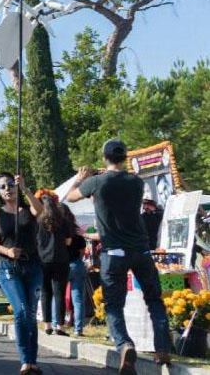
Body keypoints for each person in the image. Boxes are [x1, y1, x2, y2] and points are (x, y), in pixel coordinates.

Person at [67, 139, 171, 372]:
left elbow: (72, 196)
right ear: (125, 157)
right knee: (155, 301)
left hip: (113, 253)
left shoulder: (96, 182)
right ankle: (163, 349)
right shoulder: (135, 182)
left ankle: (124, 345)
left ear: (104, 157)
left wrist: (82, 178)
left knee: (114, 305)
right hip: (141, 250)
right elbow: (106, 201)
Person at [0, 172, 43, 375]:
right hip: (8, 266)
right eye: (2, 186)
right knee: (20, 310)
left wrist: (26, 189)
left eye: (11, 184)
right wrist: (6, 250)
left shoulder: (28, 210)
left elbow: (40, 211)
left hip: (33, 265)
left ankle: (33, 361)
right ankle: (25, 361)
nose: (8, 189)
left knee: (31, 314)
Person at [34, 189, 71, 337]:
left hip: (43, 260)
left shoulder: (37, 221)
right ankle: (60, 326)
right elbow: (68, 241)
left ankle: (47, 324)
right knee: (59, 294)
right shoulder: (63, 220)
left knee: (45, 292)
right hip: (61, 259)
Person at [60, 203, 87, 337]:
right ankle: (78, 329)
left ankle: (57, 324)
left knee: (58, 296)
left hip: (62, 265)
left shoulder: (57, 230)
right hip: (76, 263)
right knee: (78, 299)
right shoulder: (77, 230)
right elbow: (82, 251)